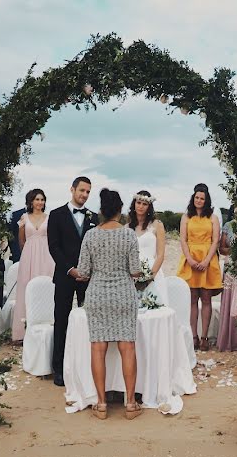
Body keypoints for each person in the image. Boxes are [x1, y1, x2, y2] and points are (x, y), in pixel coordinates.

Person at [77, 188, 142, 420]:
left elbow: (84, 272)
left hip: (97, 295)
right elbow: (135, 271)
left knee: (98, 348)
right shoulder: (128, 235)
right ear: (120, 209)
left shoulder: (91, 236)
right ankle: (131, 404)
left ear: (102, 210)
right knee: (128, 348)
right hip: (124, 294)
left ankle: (102, 404)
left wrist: (73, 272)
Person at [47, 176, 96, 387]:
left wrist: (88, 270)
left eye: (88, 192)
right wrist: (71, 270)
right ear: (72, 189)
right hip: (65, 276)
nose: (84, 195)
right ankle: (59, 368)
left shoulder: (93, 216)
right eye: (82, 190)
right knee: (62, 320)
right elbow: (54, 246)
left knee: (88, 321)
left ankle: (85, 366)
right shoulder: (56, 215)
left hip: (88, 278)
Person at [176, 183, 222, 352]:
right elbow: (182, 239)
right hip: (190, 259)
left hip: (207, 259)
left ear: (206, 200)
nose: (199, 200)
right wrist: (189, 258)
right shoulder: (186, 216)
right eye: (197, 197)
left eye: (202, 198)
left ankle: (205, 337)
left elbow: (215, 240)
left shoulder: (213, 218)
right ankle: (193, 336)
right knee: (192, 299)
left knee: (206, 298)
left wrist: (206, 261)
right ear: (193, 198)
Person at [12, 189, 55, 341]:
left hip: (46, 256)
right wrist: (27, 255)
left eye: (42, 199)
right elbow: (21, 240)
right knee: (26, 289)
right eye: (37, 199)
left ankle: (47, 326)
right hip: (28, 257)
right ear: (31, 201)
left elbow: (52, 238)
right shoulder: (24, 218)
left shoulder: (50, 218)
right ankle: (22, 331)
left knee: (46, 288)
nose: (40, 202)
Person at [127, 190, 167, 305]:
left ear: (149, 207)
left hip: (153, 272)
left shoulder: (157, 225)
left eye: (144, 204)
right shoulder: (127, 227)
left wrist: (149, 278)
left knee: (153, 308)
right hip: (132, 274)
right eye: (138, 203)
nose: (141, 206)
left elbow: (160, 255)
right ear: (134, 204)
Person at [217, 205, 237, 351]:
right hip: (231, 265)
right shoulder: (228, 226)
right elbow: (222, 248)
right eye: (236, 212)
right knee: (229, 299)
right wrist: (235, 249)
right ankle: (228, 340)